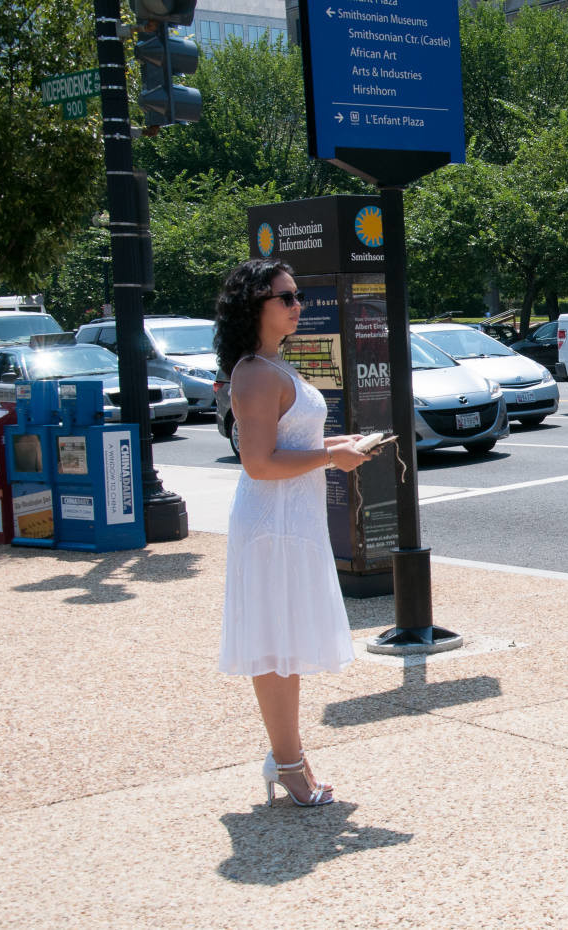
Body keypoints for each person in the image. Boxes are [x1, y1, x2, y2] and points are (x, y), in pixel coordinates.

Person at [214, 258, 375, 805]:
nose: (297, 305)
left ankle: (287, 756)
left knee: (286, 646)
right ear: (254, 306)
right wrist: (332, 459)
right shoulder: (256, 373)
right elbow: (259, 463)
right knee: (276, 650)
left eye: (297, 295)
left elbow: (289, 442)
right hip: (272, 526)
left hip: (290, 523)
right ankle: (287, 763)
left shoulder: (272, 366)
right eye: (285, 297)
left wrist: (337, 444)